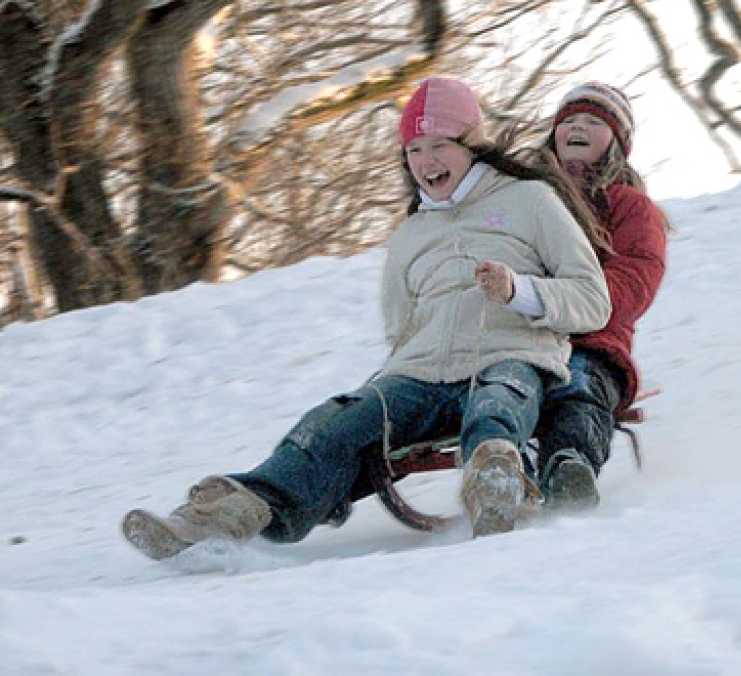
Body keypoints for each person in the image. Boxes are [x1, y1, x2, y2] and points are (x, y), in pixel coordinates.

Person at [122, 76, 612, 556]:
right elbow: (401, 328)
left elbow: (593, 300)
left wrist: (517, 290)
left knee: (498, 401)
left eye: (440, 144)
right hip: (420, 375)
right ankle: (231, 512)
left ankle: (495, 486)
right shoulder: (411, 234)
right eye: (414, 150)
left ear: (472, 144)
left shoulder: (531, 201)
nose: (426, 161)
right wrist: (390, 389)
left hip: (509, 354)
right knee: (334, 421)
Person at [533, 82, 668, 510]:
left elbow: (636, 276)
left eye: (594, 122)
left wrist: (560, 302)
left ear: (616, 141)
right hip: (518, 334)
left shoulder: (629, 207)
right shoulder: (527, 197)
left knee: (577, 385)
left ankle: (570, 467)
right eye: (568, 120)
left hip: (592, 341)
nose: (578, 127)